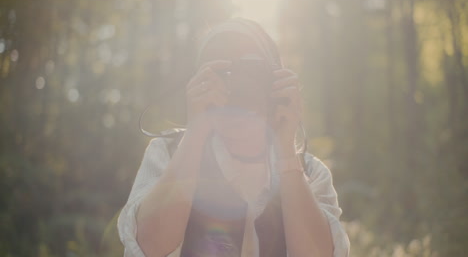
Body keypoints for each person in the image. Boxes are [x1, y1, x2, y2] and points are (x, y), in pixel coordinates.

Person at [117, 17, 350, 257]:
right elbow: (148, 247)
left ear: (275, 84)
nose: (237, 89)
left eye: (251, 73)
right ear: (198, 84)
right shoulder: (168, 153)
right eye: (223, 73)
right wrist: (197, 130)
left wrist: (286, 151)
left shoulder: (309, 173)